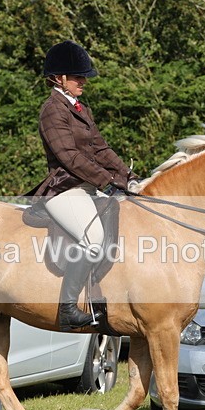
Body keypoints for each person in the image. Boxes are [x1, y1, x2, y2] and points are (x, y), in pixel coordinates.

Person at [31, 40, 136, 331]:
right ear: (58, 78)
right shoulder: (53, 110)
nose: (84, 81)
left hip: (87, 188)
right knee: (93, 239)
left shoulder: (80, 109)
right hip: (64, 189)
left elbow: (101, 149)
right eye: (78, 77)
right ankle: (68, 308)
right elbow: (70, 157)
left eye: (84, 77)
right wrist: (108, 181)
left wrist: (128, 177)